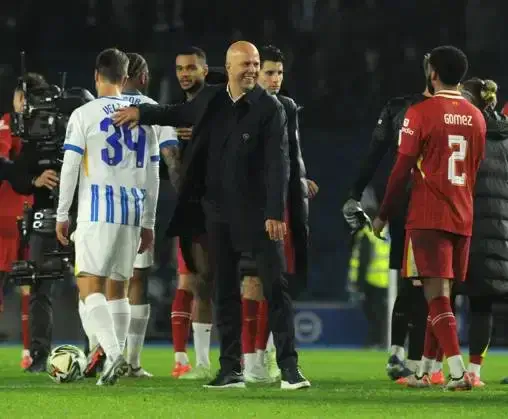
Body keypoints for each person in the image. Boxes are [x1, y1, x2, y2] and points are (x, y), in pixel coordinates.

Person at [113, 41, 310, 390]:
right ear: (229, 67)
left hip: (259, 215)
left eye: (255, 63)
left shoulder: (270, 108)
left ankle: (290, 369)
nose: (251, 69)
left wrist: (274, 212)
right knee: (224, 292)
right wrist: (142, 114)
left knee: (276, 289)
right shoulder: (212, 100)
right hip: (217, 213)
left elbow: (278, 165)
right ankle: (230, 369)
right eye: (245, 64)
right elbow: (175, 112)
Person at [373, 45, 486, 391]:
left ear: (432, 73)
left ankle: (455, 372)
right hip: (463, 215)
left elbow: (400, 170)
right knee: (446, 295)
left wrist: (383, 214)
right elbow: (474, 168)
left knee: (435, 295)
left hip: (427, 215)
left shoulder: (419, 113)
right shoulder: (476, 116)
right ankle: (425, 371)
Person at [55, 48, 160, 386]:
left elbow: (70, 167)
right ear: (125, 75)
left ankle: (111, 354)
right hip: (132, 211)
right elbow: (154, 176)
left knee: (88, 284)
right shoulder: (145, 116)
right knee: (119, 289)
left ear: (97, 76)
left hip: (97, 210)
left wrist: (61, 214)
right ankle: (122, 361)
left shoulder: (84, 114)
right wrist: (149, 223)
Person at [83, 52, 179, 378]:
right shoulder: (152, 109)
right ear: (141, 76)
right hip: (138, 207)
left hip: (101, 206)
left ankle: (103, 351)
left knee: (96, 280)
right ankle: (131, 361)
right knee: (134, 281)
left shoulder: (100, 109)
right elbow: (168, 158)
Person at [342, 55, 432, 381]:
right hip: (429, 209)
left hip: (403, 207)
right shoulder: (444, 109)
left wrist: (355, 192)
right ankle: (418, 361)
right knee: (424, 284)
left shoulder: (396, 108)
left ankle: (402, 354)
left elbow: (375, 154)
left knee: (414, 283)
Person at [239, 44, 318, 383]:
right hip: (252, 207)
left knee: (278, 284)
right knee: (253, 283)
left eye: (279, 73)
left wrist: (300, 180)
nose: (275, 79)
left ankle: (265, 354)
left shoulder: (286, 107)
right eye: (269, 72)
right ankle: (251, 359)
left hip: (284, 206)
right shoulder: (242, 108)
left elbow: (289, 155)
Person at [4, 73, 62, 373]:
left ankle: (99, 353)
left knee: (91, 286)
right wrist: (34, 179)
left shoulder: (70, 123)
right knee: (39, 287)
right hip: (44, 216)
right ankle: (40, 355)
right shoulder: (32, 137)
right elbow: (19, 177)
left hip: (79, 216)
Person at [167, 47, 214, 380]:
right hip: (191, 210)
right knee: (191, 281)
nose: (185, 74)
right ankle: (187, 359)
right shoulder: (175, 114)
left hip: (221, 207)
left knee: (216, 284)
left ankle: (244, 356)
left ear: (205, 71)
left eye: (192, 68)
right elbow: (174, 169)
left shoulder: (218, 108)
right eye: (180, 68)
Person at [458, 78, 508, 387]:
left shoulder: (465, 133)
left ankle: (437, 367)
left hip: (466, 224)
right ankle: (474, 372)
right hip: (502, 228)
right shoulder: (506, 136)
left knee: (445, 295)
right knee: (483, 303)